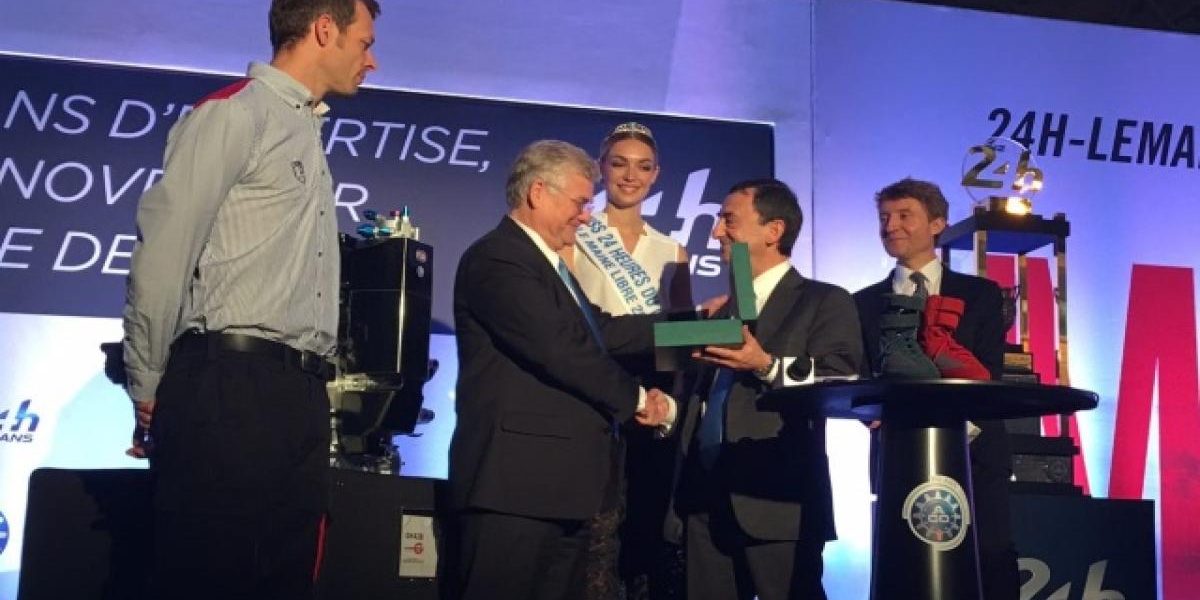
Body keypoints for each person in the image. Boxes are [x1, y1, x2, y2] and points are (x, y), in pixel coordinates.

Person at [121, 1, 380, 597]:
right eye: (364, 43)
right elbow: (164, 252)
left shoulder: (307, 130)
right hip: (228, 385)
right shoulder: (235, 112)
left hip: (300, 394)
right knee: (210, 576)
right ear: (324, 29)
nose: (372, 60)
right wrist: (148, 381)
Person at [449, 139, 676, 600]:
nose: (585, 216)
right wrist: (635, 400)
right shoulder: (499, 258)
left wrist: (699, 327)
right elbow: (561, 350)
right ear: (538, 192)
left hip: (561, 489)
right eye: (579, 202)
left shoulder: (547, 264)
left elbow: (604, 331)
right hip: (514, 488)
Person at [666, 178, 863, 600]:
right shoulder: (719, 309)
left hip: (776, 500)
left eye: (729, 220)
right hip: (703, 495)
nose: (716, 232)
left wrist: (767, 365)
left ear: (773, 231)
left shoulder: (824, 300)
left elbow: (842, 380)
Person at [853, 177, 1019, 599]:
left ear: (937, 223)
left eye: (904, 215)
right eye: (884, 217)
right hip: (897, 456)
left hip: (977, 457)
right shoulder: (862, 303)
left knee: (989, 567)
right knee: (904, 571)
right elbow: (860, 379)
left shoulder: (981, 295)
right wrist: (872, 415)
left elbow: (989, 374)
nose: (891, 226)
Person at [561, 122, 691, 600]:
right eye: (619, 164)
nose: (630, 176)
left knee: (641, 523)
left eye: (642, 167)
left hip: (648, 396)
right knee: (591, 524)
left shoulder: (672, 250)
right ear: (602, 168)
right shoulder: (577, 234)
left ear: (656, 175)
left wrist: (667, 406)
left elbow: (678, 341)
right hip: (589, 388)